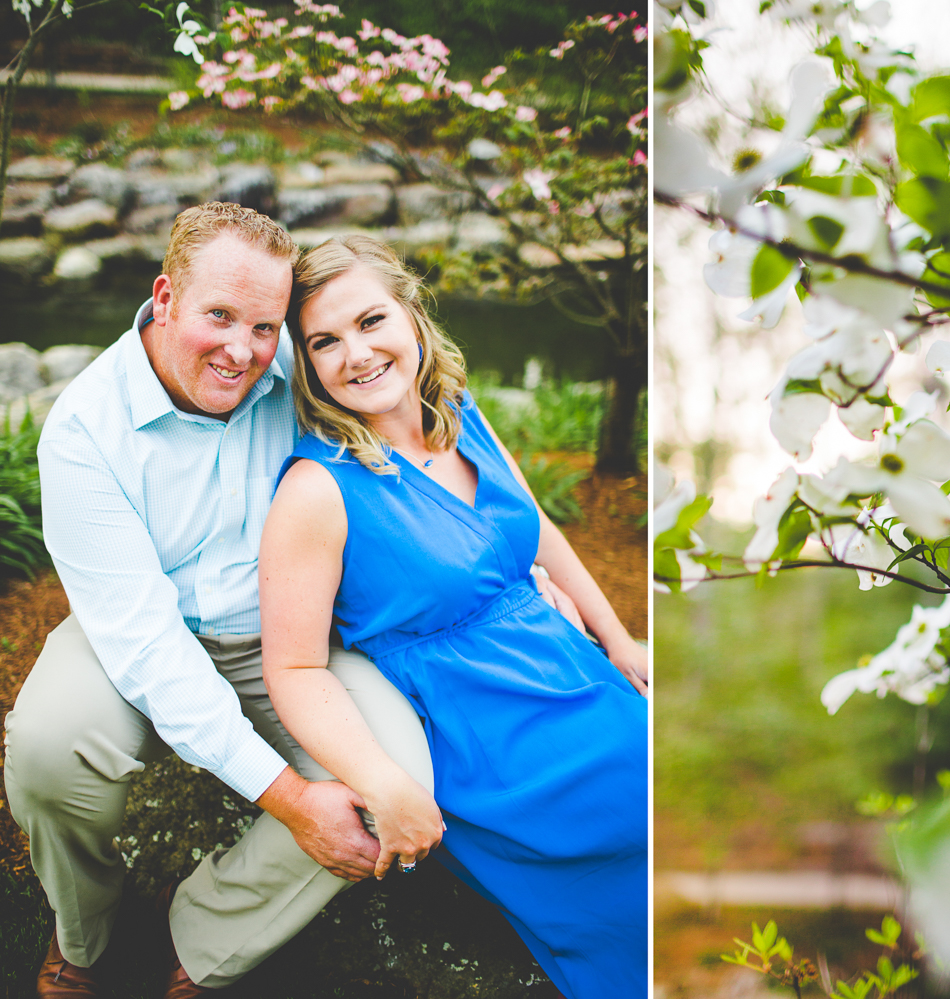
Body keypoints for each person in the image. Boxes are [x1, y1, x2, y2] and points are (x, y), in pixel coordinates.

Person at [2, 203, 439, 997]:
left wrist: (513, 562)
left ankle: (201, 936)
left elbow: (423, 414)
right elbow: (147, 648)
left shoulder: (298, 371)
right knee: (44, 745)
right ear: (165, 299)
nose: (243, 351)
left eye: (267, 325)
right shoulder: (84, 429)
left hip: (287, 635)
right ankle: (87, 932)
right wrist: (293, 800)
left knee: (396, 777)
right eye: (220, 316)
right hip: (134, 629)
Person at [259, 235, 648, 999]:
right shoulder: (317, 488)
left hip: (568, 671)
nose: (357, 354)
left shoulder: (460, 412)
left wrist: (618, 637)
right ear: (305, 364)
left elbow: (538, 525)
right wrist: (382, 779)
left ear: (411, 313)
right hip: (482, 735)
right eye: (325, 342)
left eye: (371, 320)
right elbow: (293, 668)